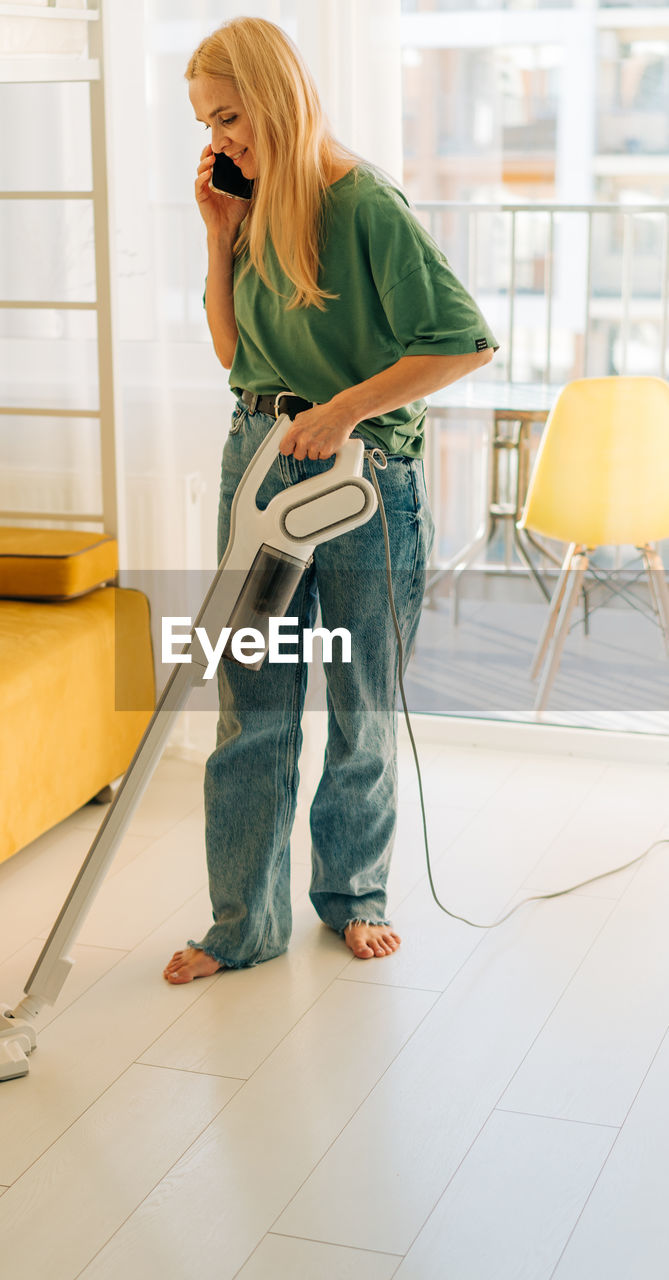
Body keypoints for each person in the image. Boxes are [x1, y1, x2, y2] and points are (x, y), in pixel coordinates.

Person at [164, 17, 497, 984]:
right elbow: (234, 356)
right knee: (253, 699)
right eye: (206, 123)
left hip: (361, 488)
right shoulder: (255, 201)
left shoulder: (365, 205)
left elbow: (462, 341)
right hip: (260, 462)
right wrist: (219, 236)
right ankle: (242, 925)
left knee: (357, 700)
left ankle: (354, 895)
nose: (218, 139)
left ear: (274, 96)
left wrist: (346, 412)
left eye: (228, 117)